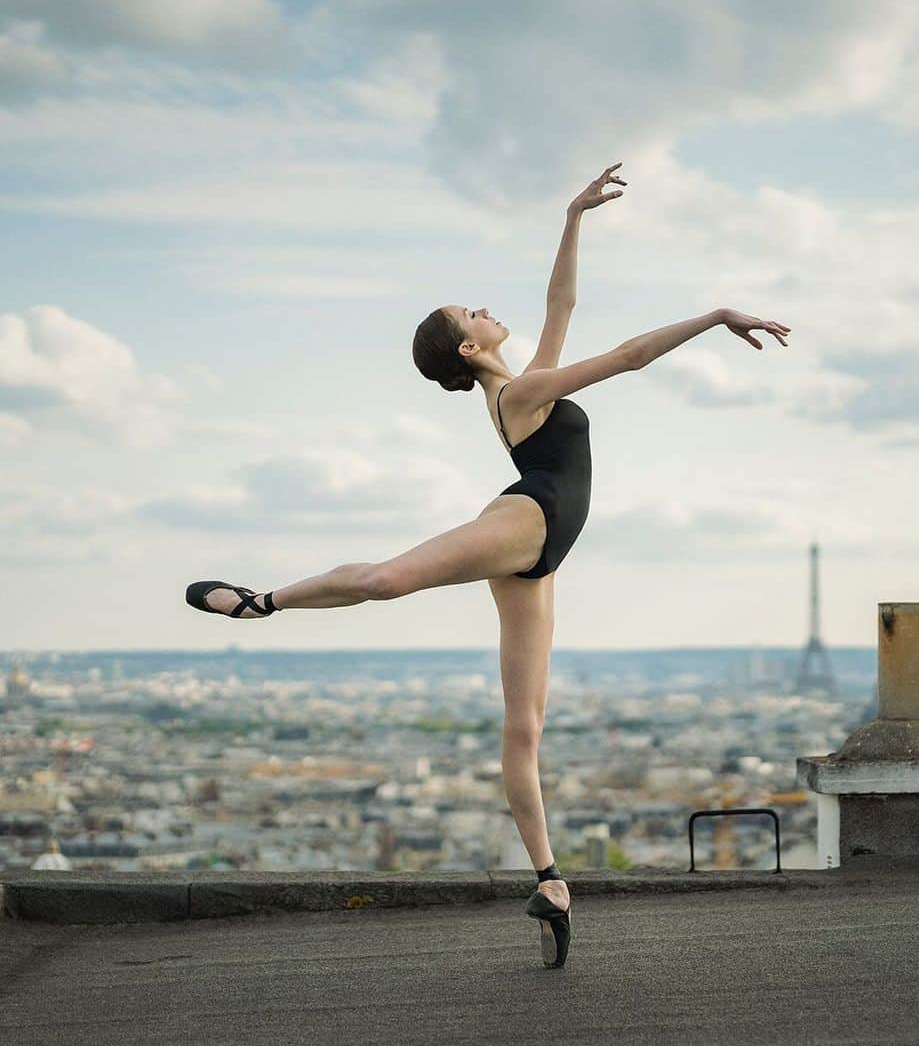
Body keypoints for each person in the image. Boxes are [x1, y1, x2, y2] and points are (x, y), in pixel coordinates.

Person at [186, 161, 791, 969]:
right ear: (470, 345)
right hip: (527, 520)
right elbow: (629, 355)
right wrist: (715, 315)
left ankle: (549, 881)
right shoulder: (518, 394)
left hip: (539, 555)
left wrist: (574, 216)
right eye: (469, 311)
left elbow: (562, 304)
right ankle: (265, 601)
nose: (482, 305)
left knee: (524, 725)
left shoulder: (514, 384)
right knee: (385, 580)